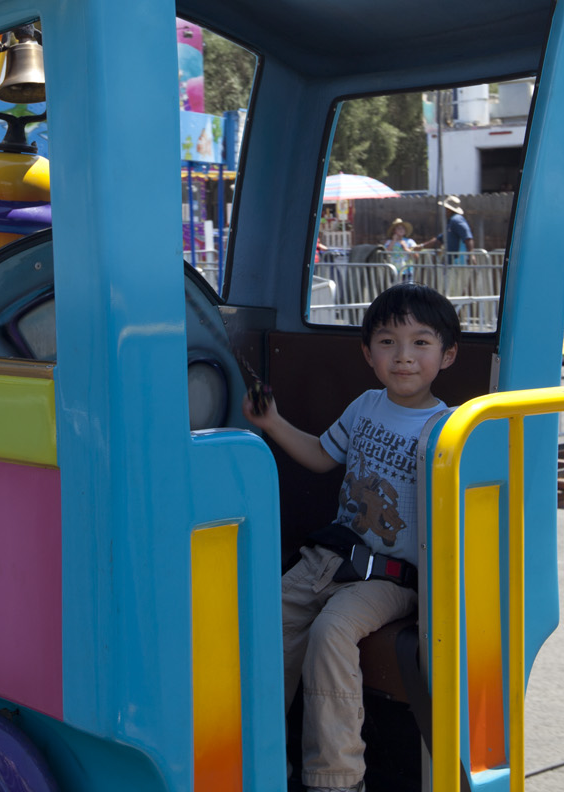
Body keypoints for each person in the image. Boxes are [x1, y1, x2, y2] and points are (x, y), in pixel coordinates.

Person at [242, 283, 461, 792]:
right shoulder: (365, 406)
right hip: (332, 557)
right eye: (387, 342)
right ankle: (258, 760)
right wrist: (271, 422)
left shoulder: (447, 428)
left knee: (332, 632)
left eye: (421, 343)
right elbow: (322, 455)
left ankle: (336, 777)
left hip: (390, 577)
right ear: (368, 353)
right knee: (264, 621)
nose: (403, 356)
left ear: (447, 355)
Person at [442, 195, 474, 263]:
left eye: (445, 209)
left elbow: (468, 237)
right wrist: (422, 246)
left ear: (449, 209)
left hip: (458, 262)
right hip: (451, 262)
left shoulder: (457, 220)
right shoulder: (450, 222)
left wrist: (471, 255)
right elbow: (440, 238)